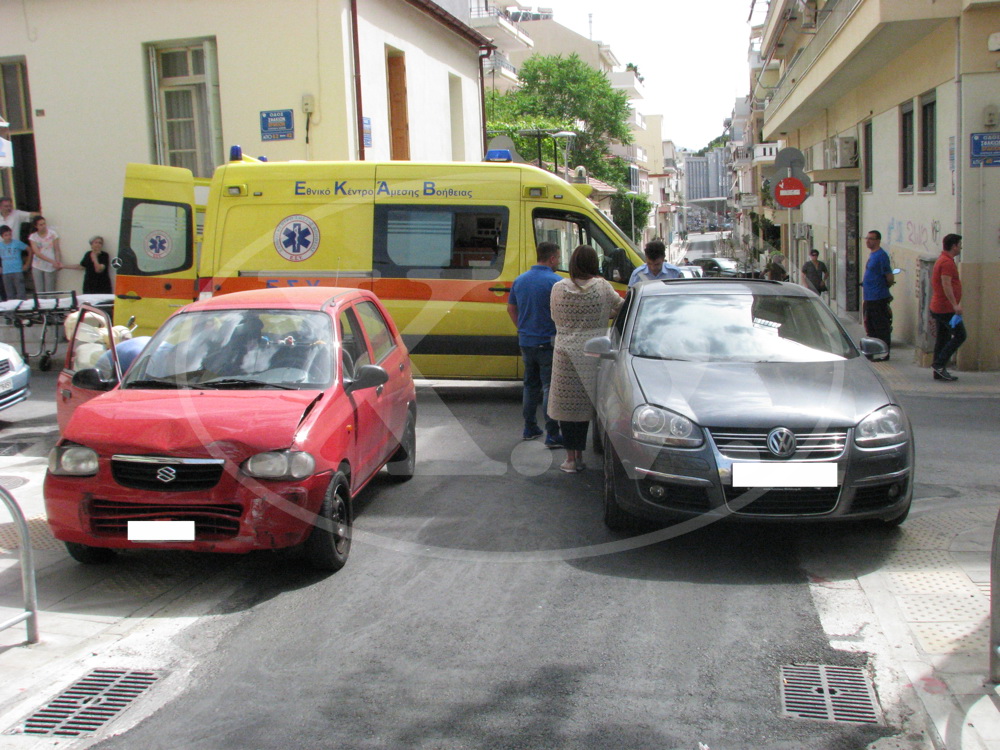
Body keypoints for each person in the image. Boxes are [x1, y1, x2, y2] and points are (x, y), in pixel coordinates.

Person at [548, 245, 624, 473]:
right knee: (584, 409)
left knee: (567, 410)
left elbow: (554, 316)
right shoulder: (602, 287)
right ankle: (582, 455)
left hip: (564, 356)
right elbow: (621, 307)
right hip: (592, 355)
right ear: (594, 264)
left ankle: (571, 459)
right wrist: (604, 314)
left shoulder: (558, 288)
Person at [507, 241, 562, 446]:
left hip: (526, 341)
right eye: (558, 257)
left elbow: (511, 308)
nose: (559, 261)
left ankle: (530, 428)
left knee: (530, 386)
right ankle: (552, 434)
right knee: (549, 387)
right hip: (548, 341)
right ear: (552, 258)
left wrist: (521, 328)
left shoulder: (520, 281)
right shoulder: (556, 282)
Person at [929, 233, 966, 382]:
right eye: (959, 244)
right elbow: (946, 284)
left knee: (943, 338)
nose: (961, 247)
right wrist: (955, 305)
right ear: (954, 246)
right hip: (945, 308)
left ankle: (939, 371)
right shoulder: (947, 263)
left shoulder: (944, 260)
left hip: (940, 306)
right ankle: (938, 364)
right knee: (960, 335)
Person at [862, 229, 894, 358]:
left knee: (881, 327)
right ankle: (874, 351)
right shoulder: (872, 255)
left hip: (878, 297)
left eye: (871, 238)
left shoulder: (881, 256)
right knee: (871, 327)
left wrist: (883, 286)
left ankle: (883, 353)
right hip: (869, 297)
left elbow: (889, 276)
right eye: (867, 238)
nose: (868, 241)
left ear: (878, 241)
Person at [28, 216, 62, 294]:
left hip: (50, 266)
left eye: (44, 224)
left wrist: (57, 262)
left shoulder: (52, 234)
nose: (43, 226)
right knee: (39, 290)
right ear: (36, 226)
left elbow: (57, 250)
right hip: (37, 265)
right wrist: (52, 261)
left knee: (50, 290)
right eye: (40, 225)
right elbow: (37, 253)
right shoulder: (33, 237)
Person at [0, 225, 30, 300]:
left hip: (17, 270)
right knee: (9, 294)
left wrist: (27, 263)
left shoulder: (17, 243)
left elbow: (29, 249)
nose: (8, 237)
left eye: (10, 234)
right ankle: (11, 310)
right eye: (6, 235)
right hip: (6, 272)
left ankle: (22, 310)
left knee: (21, 292)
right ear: (2, 236)